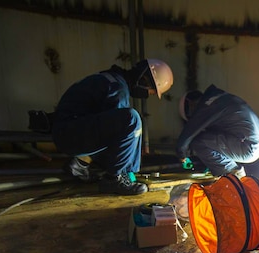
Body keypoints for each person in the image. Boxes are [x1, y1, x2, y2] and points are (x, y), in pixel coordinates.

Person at [52, 59, 173, 195]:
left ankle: (80, 163)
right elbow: (119, 139)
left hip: (69, 131)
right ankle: (113, 180)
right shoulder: (118, 89)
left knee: (127, 125)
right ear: (144, 80)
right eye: (150, 92)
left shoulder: (113, 80)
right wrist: (126, 172)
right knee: (131, 120)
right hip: (69, 135)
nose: (147, 95)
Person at [176, 84, 259, 178]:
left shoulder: (206, 107)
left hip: (249, 146)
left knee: (199, 141)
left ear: (191, 104)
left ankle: (232, 176)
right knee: (208, 136)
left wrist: (182, 156)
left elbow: (187, 135)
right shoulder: (219, 98)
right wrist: (211, 163)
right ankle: (229, 173)